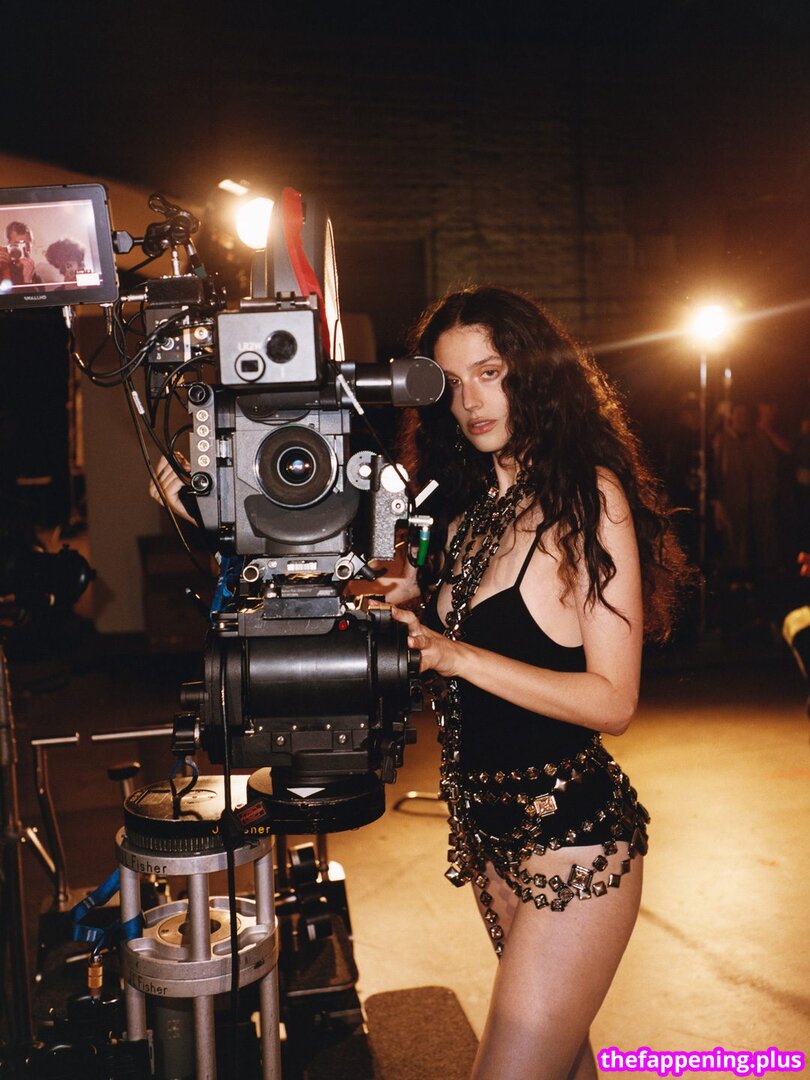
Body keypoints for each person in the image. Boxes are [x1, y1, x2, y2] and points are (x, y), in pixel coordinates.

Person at [385, 286, 686, 1080]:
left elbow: (612, 700)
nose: (470, 401)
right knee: (561, 1064)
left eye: (490, 373)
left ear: (536, 373)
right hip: (489, 839)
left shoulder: (589, 500)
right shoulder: (468, 513)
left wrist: (454, 655)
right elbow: (420, 606)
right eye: (452, 383)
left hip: (574, 842)